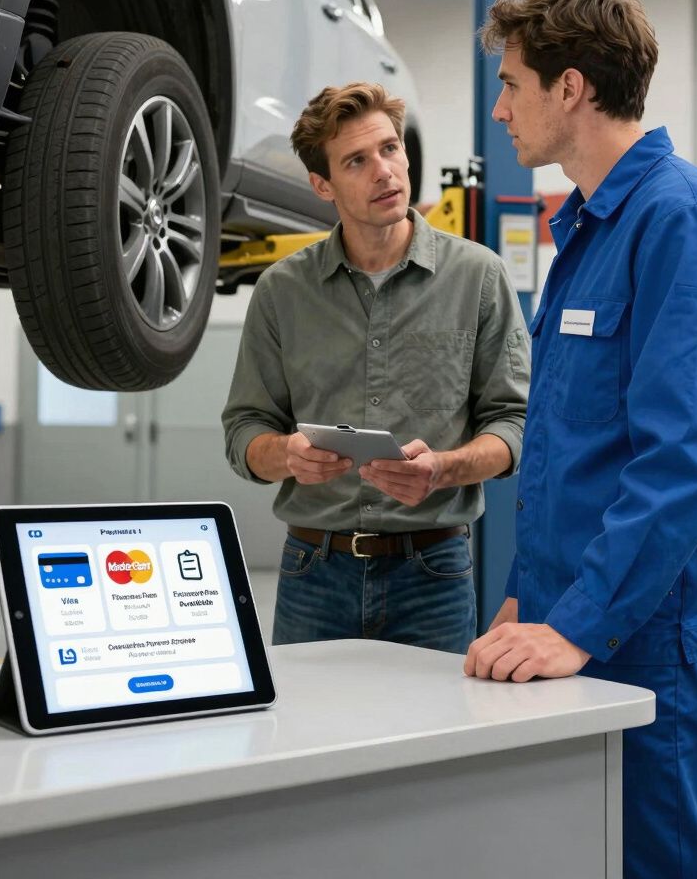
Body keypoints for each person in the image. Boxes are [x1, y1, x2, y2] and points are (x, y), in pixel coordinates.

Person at [463, 0, 697, 879]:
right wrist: (528, 594)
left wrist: (578, 621)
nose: (499, 107)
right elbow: (567, 447)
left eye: (513, 83)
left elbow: (686, 460)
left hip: (651, 637)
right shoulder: (590, 230)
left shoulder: (681, 219)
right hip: (583, 623)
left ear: (571, 88)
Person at [222, 82, 529, 654]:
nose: (383, 171)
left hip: (433, 573)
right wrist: (285, 454)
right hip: (313, 572)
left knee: (437, 740)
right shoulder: (281, 292)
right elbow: (244, 431)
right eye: (356, 161)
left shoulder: (479, 278)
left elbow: (515, 426)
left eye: (390, 149)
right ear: (323, 185)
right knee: (310, 736)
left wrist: (444, 468)